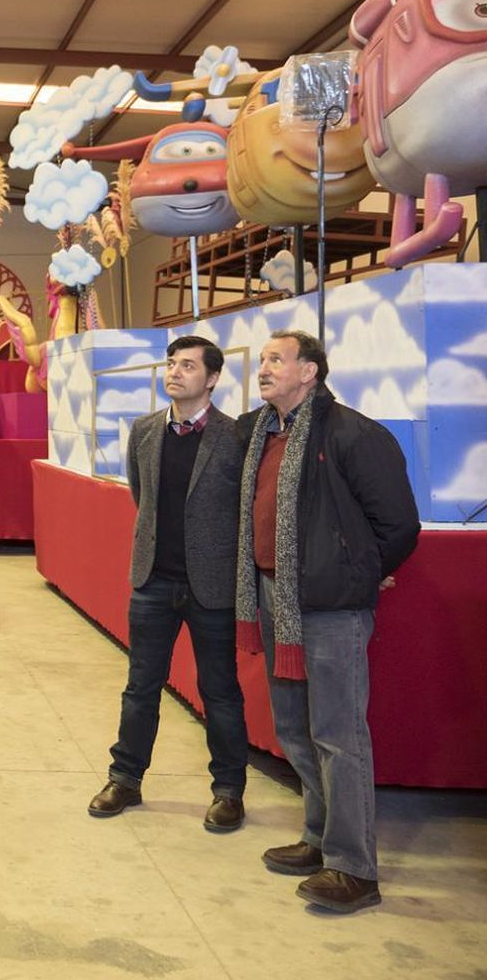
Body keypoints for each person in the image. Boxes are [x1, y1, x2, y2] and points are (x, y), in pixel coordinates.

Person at [237, 330, 419, 913]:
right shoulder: (261, 434)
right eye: (262, 360)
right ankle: (318, 838)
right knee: (294, 728)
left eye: (275, 360)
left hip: (330, 609)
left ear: (309, 371)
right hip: (274, 601)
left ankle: (354, 868)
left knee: (338, 737)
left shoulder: (353, 434)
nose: (263, 369)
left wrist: (357, 573)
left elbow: (398, 526)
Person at [89, 335, 249, 831]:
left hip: (212, 587)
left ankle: (228, 792)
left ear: (214, 378)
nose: (174, 373)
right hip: (153, 581)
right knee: (141, 687)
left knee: (219, 691)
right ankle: (126, 779)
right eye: (171, 364)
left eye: (188, 366)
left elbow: (243, 509)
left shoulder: (235, 436)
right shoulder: (144, 431)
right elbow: (145, 498)